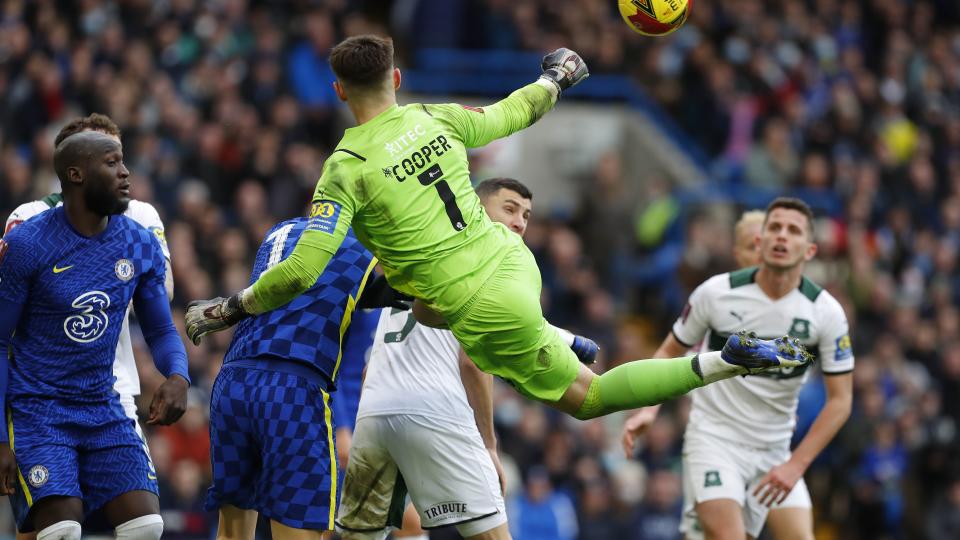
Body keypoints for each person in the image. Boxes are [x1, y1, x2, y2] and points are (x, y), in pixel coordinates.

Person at [185, 35, 810, 425]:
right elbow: (512, 113)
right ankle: (558, 335)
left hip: (482, 304)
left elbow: (300, 270)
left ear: (339, 90)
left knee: (590, 398)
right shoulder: (436, 117)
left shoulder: (343, 169)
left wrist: (229, 308)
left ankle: (725, 360)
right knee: (421, 302)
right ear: (395, 80)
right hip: (510, 258)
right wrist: (555, 78)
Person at [336, 178, 596, 540]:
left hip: (376, 411)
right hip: (435, 410)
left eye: (526, 215)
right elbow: (473, 362)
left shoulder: (420, 249)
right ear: (476, 206)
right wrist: (489, 444)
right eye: (509, 209)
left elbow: (369, 364)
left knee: (376, 533)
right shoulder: (491, 262)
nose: (520, 222)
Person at [621, 198, 854, 540]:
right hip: (716, 439)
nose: (782, 236)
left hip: (774, 449)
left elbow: (841, 400)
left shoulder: (825, 313)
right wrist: (648, 409)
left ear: (810, 250)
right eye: (775, 228)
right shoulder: (716, 293)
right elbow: (670, 351)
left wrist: (795, 465)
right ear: (761, 240)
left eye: (793, 230)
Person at [0, 131, 190, 540]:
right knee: (62, 530)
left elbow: (160, 329)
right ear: (76, 174)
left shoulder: (139, 243)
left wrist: (177, 375)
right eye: (112, 162)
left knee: (147, 526)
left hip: (103, 404)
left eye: (123, 161)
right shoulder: (27, 244)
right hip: (39, 410)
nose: (125, 173)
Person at [206, 215, 405, 539]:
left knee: (231, 532)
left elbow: (308, 287)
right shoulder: (367, 238)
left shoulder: (280, 230)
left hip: (233, 380)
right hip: (292, 387)